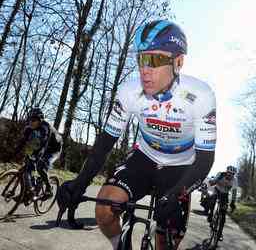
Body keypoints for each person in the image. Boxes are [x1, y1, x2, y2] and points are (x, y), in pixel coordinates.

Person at [57, 20, 216, 250]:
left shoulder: (200, 96)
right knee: (104, 209)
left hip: (181, 166)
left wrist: (176, 195)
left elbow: (204, 160)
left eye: (155, 60)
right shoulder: (130, 91)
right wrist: (80, 183)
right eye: (141, 59)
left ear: (179, 62)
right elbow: (105, 143)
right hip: (144, 158)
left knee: (166, 241)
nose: (144, 70)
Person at [15, 107, 62, 199]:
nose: (31, 122)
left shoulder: (45, 128)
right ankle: (27, 192)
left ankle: (49, 189)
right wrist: (15, 151)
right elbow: (23, 141)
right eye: (30, 119)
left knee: (41, 166)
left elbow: (44, 144)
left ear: (40, 120)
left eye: (34, 120)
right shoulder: (29, 128)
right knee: (28, 167)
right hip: (41, 146)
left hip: (54, 149)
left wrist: (36, 155)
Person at [207, 165, 238, 241]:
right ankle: (210, 214)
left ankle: (220, 233)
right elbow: (213, 181)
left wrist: (233, 202)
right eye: (229, 173)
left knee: (223, 214)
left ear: (234, 175)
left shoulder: (234, 180)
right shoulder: (220, 174)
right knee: (212, 200)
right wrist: (213, 181)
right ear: (226, 172)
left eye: (232, 174)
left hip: (224, 194)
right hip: (217, 190)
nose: (230, 175)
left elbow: (234, 192)